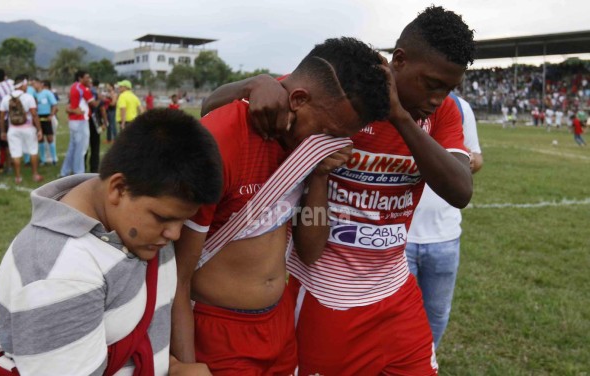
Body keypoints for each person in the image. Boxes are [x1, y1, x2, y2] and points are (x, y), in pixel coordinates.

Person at [202, 6, 475, 375]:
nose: (439, 97)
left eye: (448, 89)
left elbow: (460, 190)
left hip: (396, 288)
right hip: (325, 292)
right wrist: (255, 84)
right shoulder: (349, 93)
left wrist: (400, 116)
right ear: (400, 60)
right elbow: (214, 106)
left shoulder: (436, 115)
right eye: (431, 84)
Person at [171, 37, 391, 375]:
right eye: (326, 132)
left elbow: (310, 250)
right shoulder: (224, 140)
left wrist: (320, 174)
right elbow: (177, 278)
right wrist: (186, 366)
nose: (325, 143)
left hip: (280, 325)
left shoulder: (306, 141)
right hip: (218, 333)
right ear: (298, 100)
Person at [0, 109, 223, 376]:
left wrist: (175, 367)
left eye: (183, 220)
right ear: (118, 189)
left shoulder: (138, 226)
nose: (175, 234)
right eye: (163, 218)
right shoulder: (59, 273)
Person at [406, 93, 483, 350]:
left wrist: (458, 161)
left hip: (444, 234)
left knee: (437, 312)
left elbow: (477, 158)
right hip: (401, 235)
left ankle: (428, 358)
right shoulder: (401, 106)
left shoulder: (460, 108)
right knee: (398, 313)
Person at [0, 75, 43, 184]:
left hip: (13, 129)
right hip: (28, 129)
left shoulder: (6, 98)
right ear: (22, 85)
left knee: (15, 153)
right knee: (33, 150)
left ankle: (18, 177)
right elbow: (34, 114)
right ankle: (35, 174)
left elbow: (2, 116)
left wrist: (3, 131)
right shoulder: (28, 97)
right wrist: (39, 129)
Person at [60, 70, 97, 176]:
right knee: (81, 149)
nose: (88, 79)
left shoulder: (74, 87)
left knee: (73, 147)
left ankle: (65, 171)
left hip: (74, 120)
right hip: (80, 120)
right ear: (80, 78)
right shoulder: (82, 88)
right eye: (86, 77)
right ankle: (78, 173)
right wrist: (104, 100)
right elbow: (94, 104)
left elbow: (70, 104)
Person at [34, 80, 58, 165]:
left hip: (46, 117)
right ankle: (43, 159)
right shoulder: (34, 94)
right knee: (40, 139)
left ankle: (54, 158)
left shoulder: (47, 93)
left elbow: (54, 104)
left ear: (40, 84)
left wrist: (51, 114)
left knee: (50, 138)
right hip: (37, 118)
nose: (34, 85)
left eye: (35, 83)